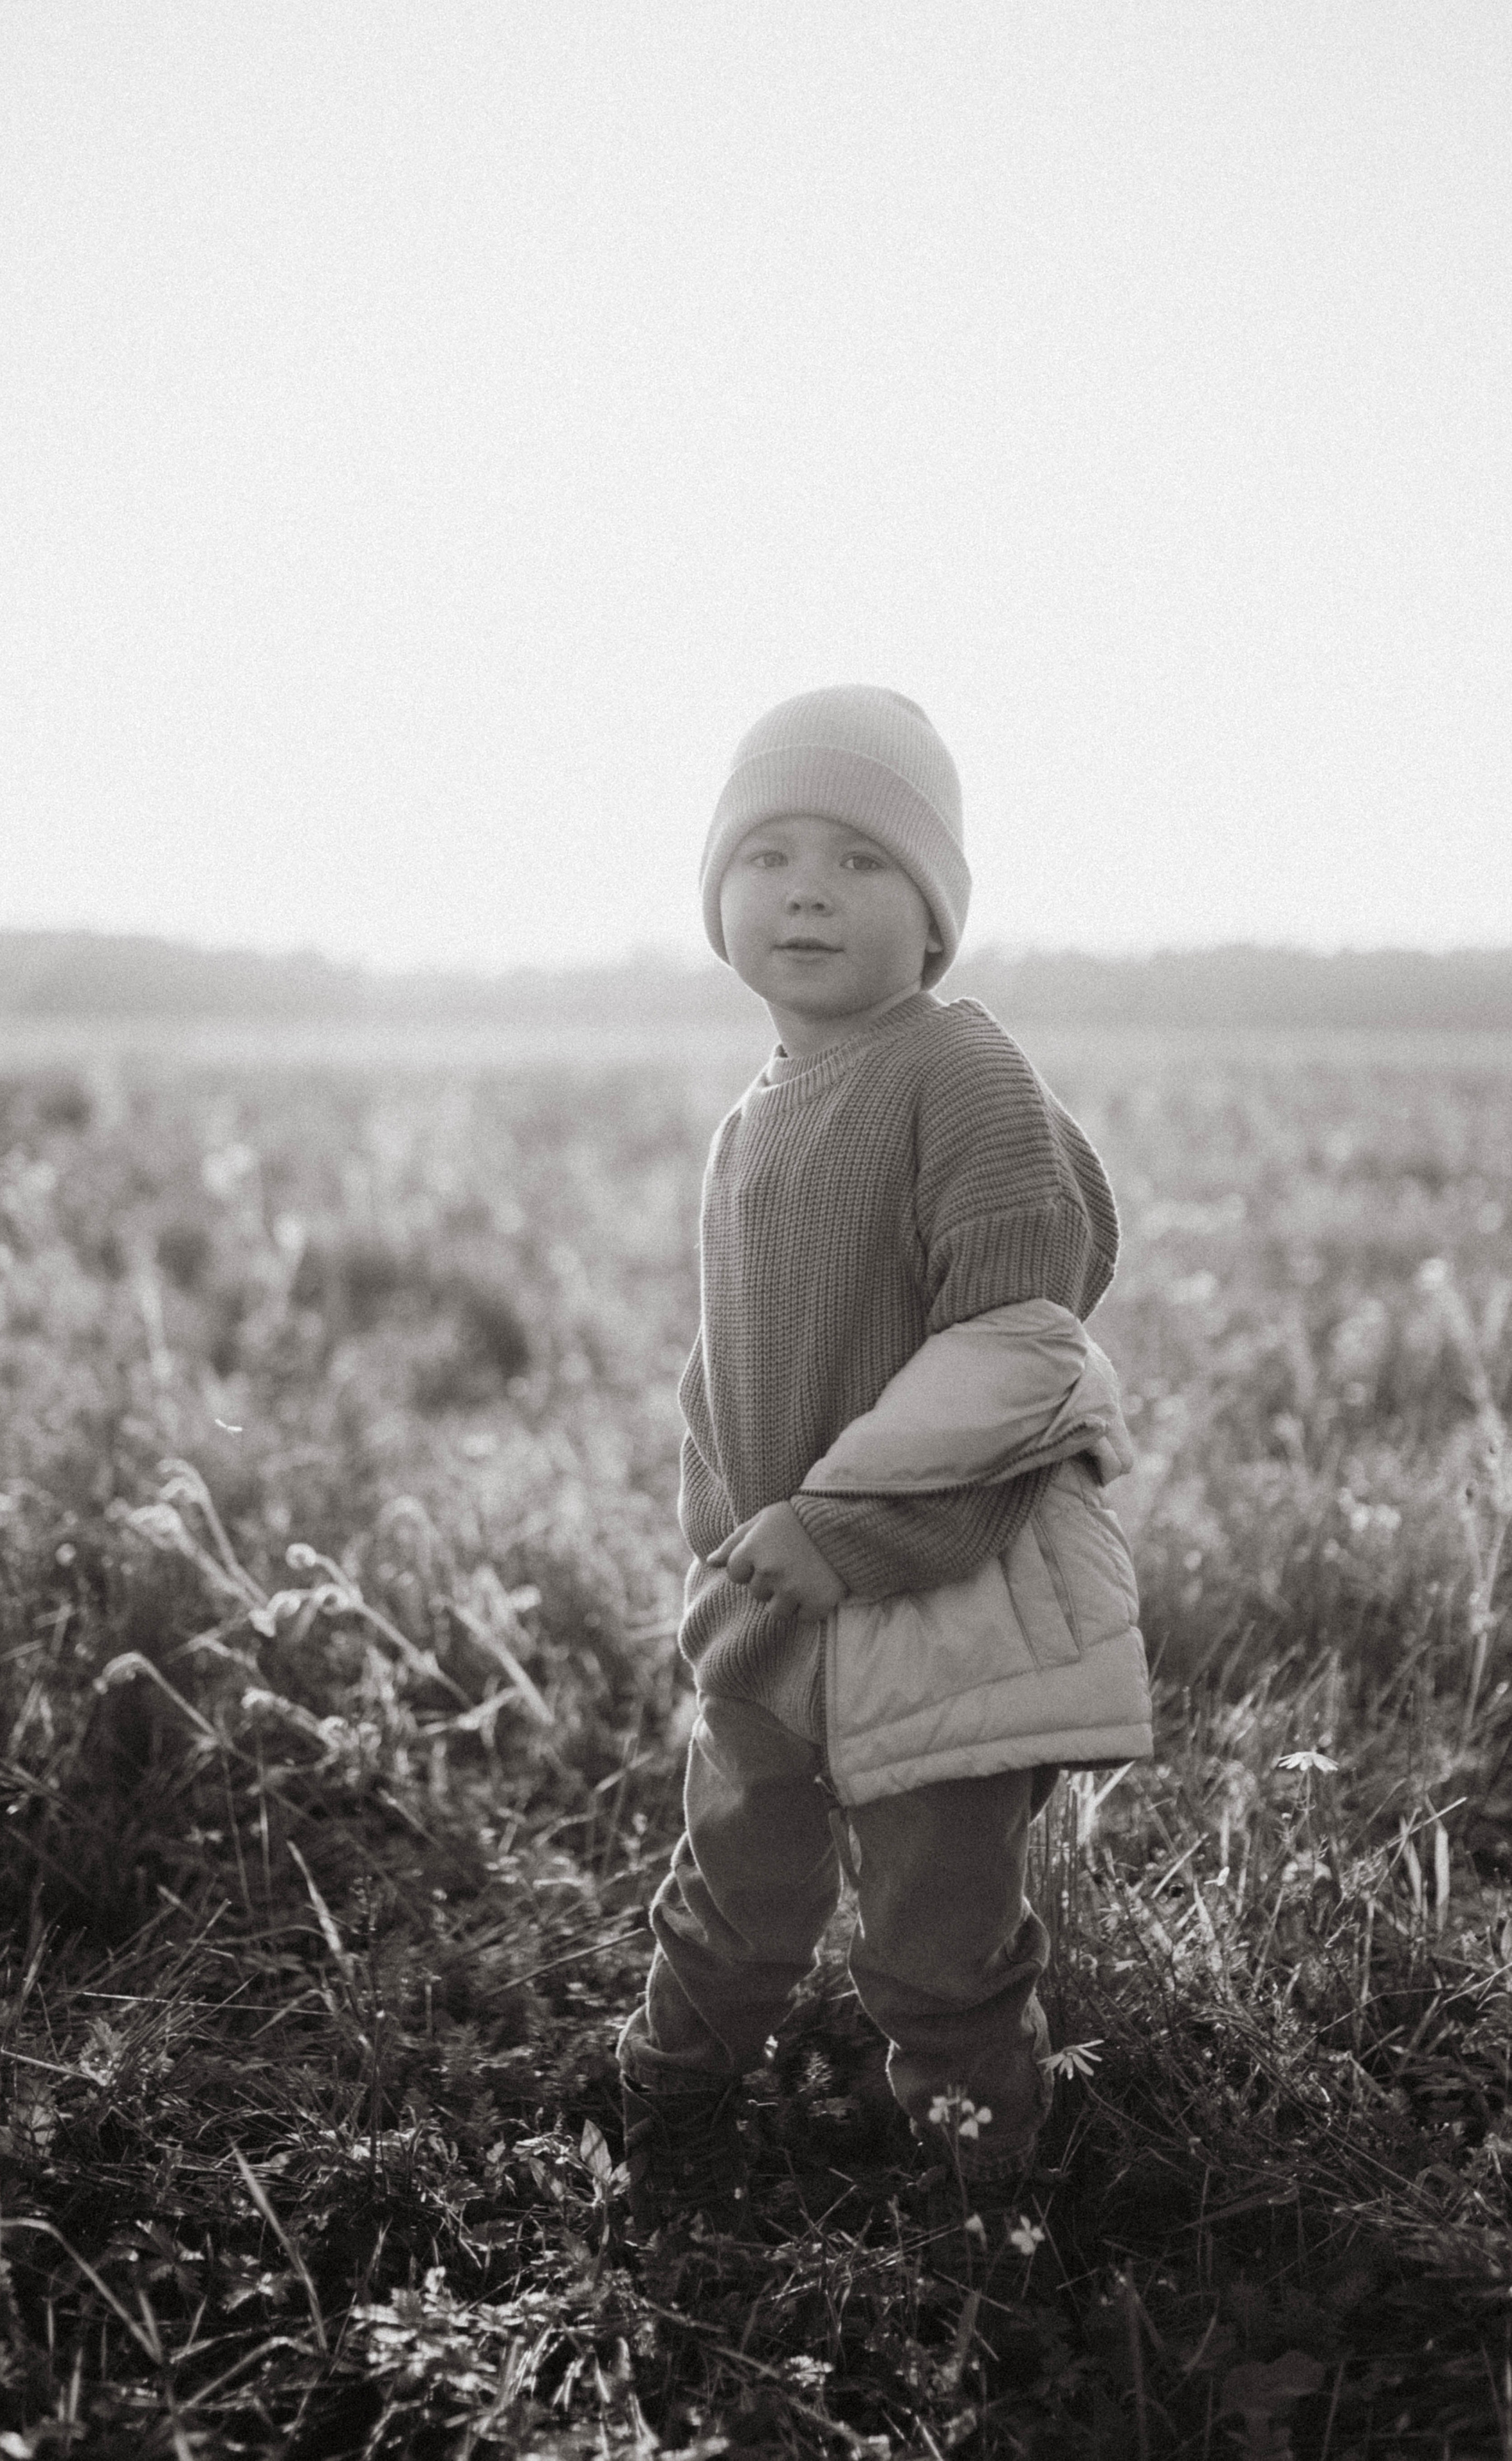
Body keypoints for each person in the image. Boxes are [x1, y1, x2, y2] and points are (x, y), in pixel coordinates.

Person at [617, 685, 1152, 2247]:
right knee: (731, 1888)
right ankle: (662, 2118)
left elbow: (1014, 1345)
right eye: (766, 851)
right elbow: (730, 1366)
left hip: (937, 1600)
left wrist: (841, 1527)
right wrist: (726, 1544)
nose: (802, 886)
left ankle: (989, 2217)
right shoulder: (756, 1107)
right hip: (773, 1605)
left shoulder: (956, 1070)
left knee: (935, 1939)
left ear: (932, 915)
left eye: (858, 857)